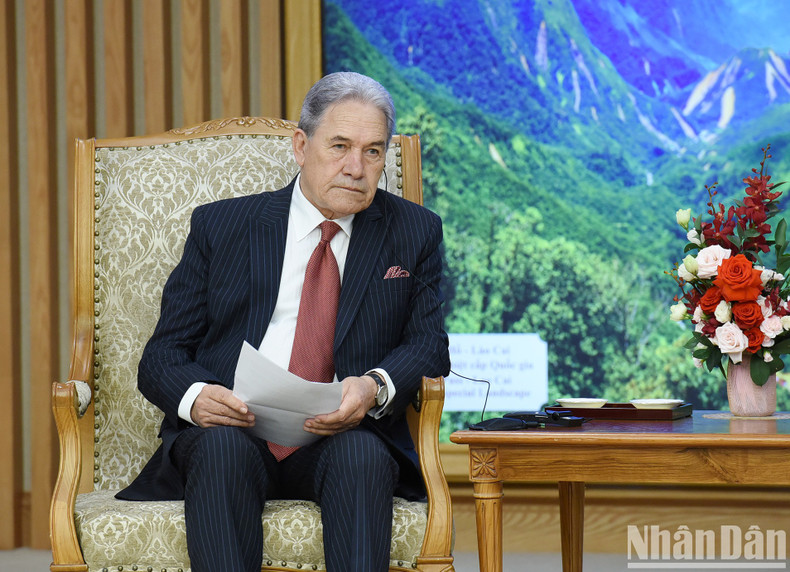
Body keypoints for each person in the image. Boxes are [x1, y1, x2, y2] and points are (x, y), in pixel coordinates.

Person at [117, 71, 451, 572]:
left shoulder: (414, 231)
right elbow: (162, 356)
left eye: (373, 151)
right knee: (221, 450)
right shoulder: (223, 226)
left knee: (361, 456)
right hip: (235, 433)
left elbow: (429, 345)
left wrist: (373, 387)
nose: (356, 168)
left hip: (343, 436)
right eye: (339, 146)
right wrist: (197, 399)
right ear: (301, 145)